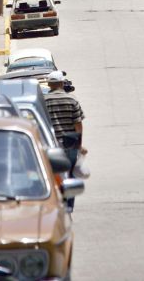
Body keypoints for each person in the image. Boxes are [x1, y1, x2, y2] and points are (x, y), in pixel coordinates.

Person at [45, 70, 86, 211]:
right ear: (62, 83)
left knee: (50, 175)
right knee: (70, 176)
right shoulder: (72, 100)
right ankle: (68, 206)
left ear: (49, 84)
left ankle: (54, 203)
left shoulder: (44, 101)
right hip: (70, 144)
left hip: (50, 145)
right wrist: (79, 145)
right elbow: (78, 125)